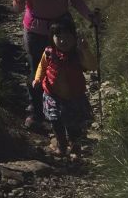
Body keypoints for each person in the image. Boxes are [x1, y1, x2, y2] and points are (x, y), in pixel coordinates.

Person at [12, 0, 100, 130]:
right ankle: (37, 113)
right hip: (35, 30)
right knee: (37, 71)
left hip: (63, 29)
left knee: (69, 69)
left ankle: (71, 116)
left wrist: (90, 17)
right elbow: (17, 9)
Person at [33, 19, 98, 156]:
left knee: (73, 124)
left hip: (74, 95)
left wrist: (85, 50)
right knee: (55, 120)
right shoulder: (49, 53)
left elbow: (92, 66)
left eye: (67, 37)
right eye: (59, 37)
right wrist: (38, 79)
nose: (63, 41)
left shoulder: (77, 54)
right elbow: (42, 66)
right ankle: (61, 146)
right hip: (52, 94)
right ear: (52, 38)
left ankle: (75, 145)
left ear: (75, 37)